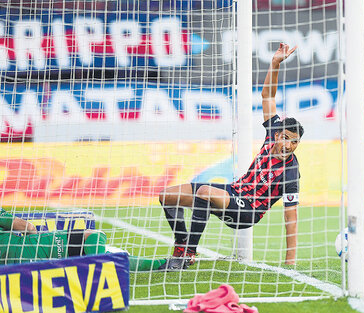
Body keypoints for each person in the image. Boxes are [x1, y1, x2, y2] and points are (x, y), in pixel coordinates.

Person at [159, 43, 304, 270]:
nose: (288, 145)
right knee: (167, 196)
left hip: (247, 211)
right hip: (233, 192)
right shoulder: (272, 132)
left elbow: (291, 218)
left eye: (294, 142)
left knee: (205, 192)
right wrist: (275, 63)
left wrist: (290, 261)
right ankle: (181, 244)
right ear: (277, 135)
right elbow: (267, 95)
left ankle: (189, 254)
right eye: (285, 138)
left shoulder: (291, 173)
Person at [0, 208, 166, 271]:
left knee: (109, 253)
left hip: (16, 271)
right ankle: (98, 269)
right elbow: (28, 228)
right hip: (41, 249)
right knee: (95, 236)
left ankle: (162, 264)